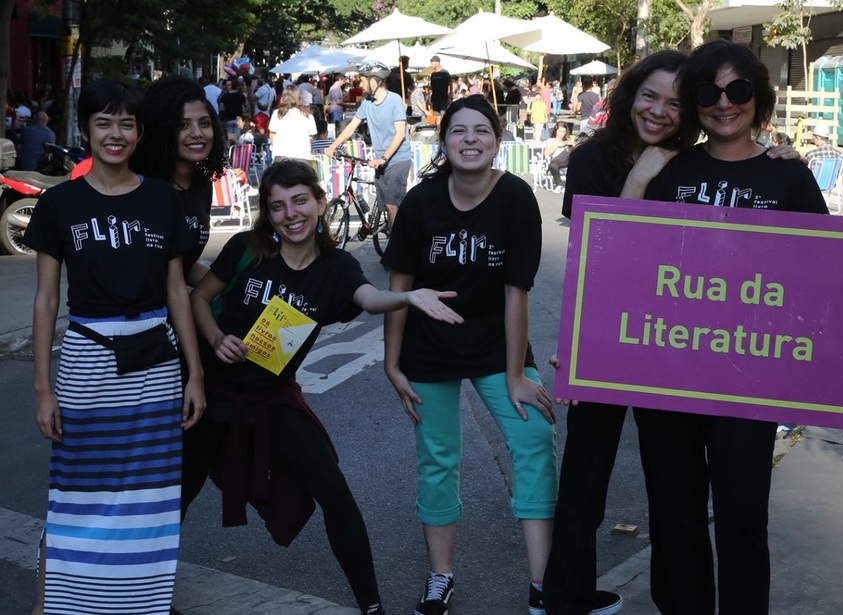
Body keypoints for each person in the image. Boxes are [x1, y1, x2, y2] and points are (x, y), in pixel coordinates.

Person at [188, 159, 462, 615]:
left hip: (272, 399)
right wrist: (216, 338)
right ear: (267, 214)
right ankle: (138, 593)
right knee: (173, 494)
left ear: (320, 203)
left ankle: (371, 605)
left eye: (300, 201)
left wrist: (407, 296)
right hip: (213, 394)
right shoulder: (247, 249)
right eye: (277, 206)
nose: (290, 214)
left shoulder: (336, 268)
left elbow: (369, 299)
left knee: (336, 494)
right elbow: (199, 296)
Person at [638, 39, 832, 615]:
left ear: (759, 96)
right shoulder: (671, 171)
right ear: (695, 100)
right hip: (667, 376)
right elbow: (626, 268)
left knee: (744, 512)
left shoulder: (790, 178)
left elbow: (826, 284)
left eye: (739, 89)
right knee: (675, 514)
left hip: (751, 380)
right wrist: (591, 347)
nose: (725, 103)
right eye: (709, 91)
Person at [23, 78, 206, 615]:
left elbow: (177, 290)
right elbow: (45, 299)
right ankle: (59, 605)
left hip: (155, 365)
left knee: (149, 501)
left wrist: (194, 375)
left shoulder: (161, 200)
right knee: (74, 496)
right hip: (85, 361)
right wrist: (42, 387)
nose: (115, 134)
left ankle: (137, 604)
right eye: (104, 122)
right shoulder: (59, 204)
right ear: (85, 131)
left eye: (126, 123)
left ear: (140, 131)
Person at [381, 95, 557, 615]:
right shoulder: (420, 202)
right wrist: (392, 364)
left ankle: (543, 584)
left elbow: (515, 291)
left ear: (497, 141)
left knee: (534, 437)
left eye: (482, 130)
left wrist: (516, 374)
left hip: (495, 345)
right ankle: (441, 576)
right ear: (444, 142)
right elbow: (399, 286)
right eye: (459, 131)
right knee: (438, 458)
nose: (471, 140)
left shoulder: (516, 198)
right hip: (428, 347)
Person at [542, 50, 696, 615]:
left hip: (674, 342)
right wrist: (639, 176)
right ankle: (566, 596)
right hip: (605, 335)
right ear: (630, 94)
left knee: (673, 483)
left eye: (676, 103)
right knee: (584, 478)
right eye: (650, 96)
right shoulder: (591, 160)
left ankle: (676, 598)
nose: (659, 111)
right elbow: (602, 255)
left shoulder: (695, 166)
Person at [130, 75, 228, 288]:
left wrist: (233, 287)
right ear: (161, 130)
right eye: (183, 125)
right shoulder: (140, 188)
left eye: (204, 123)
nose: (197, 133)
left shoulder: (202, 185)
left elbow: (185, 266)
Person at [325, 61, 411, 229]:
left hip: (398, 158)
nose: (361, 86)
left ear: (374, 82)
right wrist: (333, 145)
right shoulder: (367, 103)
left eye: (363, 81)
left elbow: (400, 133)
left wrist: (384, 158)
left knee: (393, 204)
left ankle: (396, 251)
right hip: (380, 159)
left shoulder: (395, 100)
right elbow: (351, 127)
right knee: (386, 205)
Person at [268, 83, 317, 164]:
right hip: (303, 157)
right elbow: (311, 137)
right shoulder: (308, 115)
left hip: (281, 156)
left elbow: (272, 134)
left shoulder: (277, 114)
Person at [803, 124, 843, 206]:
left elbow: (801, 173)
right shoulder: (839, 155)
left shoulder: (811, 155)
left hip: (813, 184)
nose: (813, 139)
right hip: (830, 184)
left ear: (817, 137)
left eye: (813, 136)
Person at [542, 122, 574, 191]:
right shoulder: (550, 140)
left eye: (564, 132)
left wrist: (573, 144)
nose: (562, 134)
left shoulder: (568, 140)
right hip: (557, 160)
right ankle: (559, 184)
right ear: (556, 131)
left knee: (569, 151)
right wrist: (558, 145)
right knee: (552, 165)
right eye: (560, 131)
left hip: (569, 159)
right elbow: (546, 154)